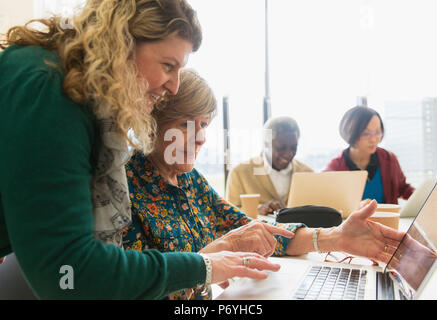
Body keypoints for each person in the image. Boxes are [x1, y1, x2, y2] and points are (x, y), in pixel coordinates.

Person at [0, 0, 280, 300]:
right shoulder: (49, 88)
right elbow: (70, 273)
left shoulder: (70, 90)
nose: (174, 87)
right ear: (120, 45)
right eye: (168, 66)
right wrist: (205, 266)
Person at [123, 69, 408, 300]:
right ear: (151, 120)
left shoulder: (189, 180)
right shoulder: (124, 187)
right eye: (188, 125)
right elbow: (131, 290)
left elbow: (257, 232)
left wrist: (336, 237)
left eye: (205, 126)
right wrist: (209, 261)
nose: (201, 139)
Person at [325, 106, 414, 204]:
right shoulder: (335, 167)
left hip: (386, 219)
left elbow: (403, 189)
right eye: (366, 134)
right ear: (351, 133)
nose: (373, 139)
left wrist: (423, 196)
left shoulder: (389, 158)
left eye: (377, 132)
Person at [226, 116, 313, 215]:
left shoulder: (307, 173)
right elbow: (229, 215)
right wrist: (257, 210)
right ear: (266, 145)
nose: (289, 154)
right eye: (281, 148)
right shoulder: (240, 173)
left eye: (293, 147)